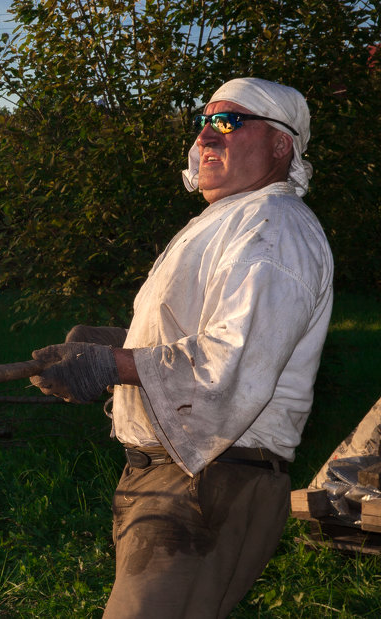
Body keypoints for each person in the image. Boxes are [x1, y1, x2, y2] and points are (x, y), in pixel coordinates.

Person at [28, 78, 334, 618]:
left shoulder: (275, 227)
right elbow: (206, 339)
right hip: (178, 473)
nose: (207, 135)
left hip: (214, 477)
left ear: (282, 144)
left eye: (230, 122)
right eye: (205, 121)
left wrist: (113, 364)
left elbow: (231, 362)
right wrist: (118, 345)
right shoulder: (231, 221)